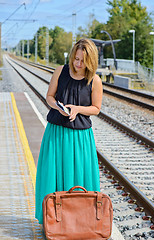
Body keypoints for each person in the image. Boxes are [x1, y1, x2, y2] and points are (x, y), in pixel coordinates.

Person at [35, 38, 103, 224]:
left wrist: (78, 109)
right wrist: (58, 107)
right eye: (76, 58)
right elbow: (49, 96)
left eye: (82, 61)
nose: (77, 64)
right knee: (53, 175)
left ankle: (78, 222)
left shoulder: (94, 80)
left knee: (78, 177)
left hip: (80, 137)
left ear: (91, 62)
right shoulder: (60, 71)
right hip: (56, 132)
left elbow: (96, 108)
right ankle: (52, 221)